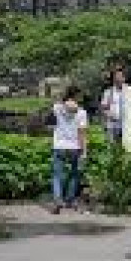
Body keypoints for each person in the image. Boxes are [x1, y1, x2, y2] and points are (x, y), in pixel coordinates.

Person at [50, 85, 88, 214]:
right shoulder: (82, 112)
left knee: (56, 175)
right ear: (77, 96)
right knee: (74, 174)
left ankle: (57, 200)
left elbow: (51, 123)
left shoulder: (57, 108)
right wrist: (84, 151)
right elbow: (82, 133)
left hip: (59, 145)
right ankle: (70, 199)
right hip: (74, 146)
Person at [100, 65, 131, 143]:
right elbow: (103, 108)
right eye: (116, 77)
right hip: (112, 124)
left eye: (120, 76)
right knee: (111, 145)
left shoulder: (130, 90)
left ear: (124, 78)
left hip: (126, 124)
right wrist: (109, 115)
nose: (118, 79)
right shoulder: (108, 92)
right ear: (113, 79)